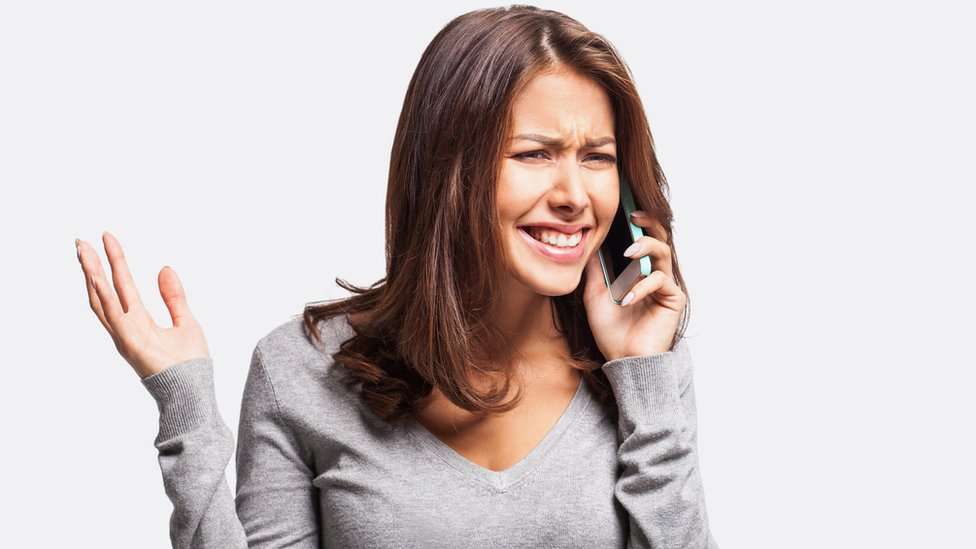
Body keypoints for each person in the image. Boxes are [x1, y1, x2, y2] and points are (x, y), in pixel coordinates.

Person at [75, 5, 718, 548]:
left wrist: (643, 373)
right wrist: (184, 405)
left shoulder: (641, 369)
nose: (574, 196)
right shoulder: (298, 371)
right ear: (448, 170)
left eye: (598, 158)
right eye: (534, 154)